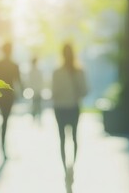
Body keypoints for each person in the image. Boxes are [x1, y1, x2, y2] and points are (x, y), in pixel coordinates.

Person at [52, 43, 88, 182]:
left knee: (62, 138)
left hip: (60, 108)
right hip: (73, 107)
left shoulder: (57, 72)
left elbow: (54, 92)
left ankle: (65, 166)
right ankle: (72, 166)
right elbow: (85, 91)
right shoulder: (79, 72)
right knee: (74, 137)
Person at [0, 42, 21, 160]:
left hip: (0, 95)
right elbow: (18, 81)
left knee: (4, 119)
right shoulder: (14, 65)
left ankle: (2, 144)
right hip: (9, 96)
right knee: (5, 119)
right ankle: (3, 145)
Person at [28, 57, 43, 123]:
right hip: (38, 90)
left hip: (33, 91)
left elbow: (29, 82)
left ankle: (34, 117)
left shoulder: (31, 71)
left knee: (34, 105)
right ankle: (38, 118)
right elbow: (41, 81)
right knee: (38, 105)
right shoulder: (38, 71)